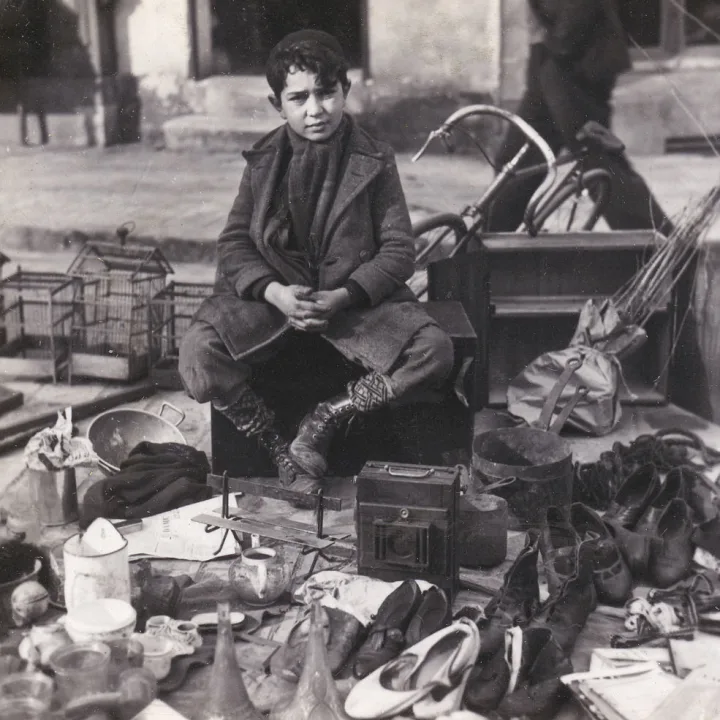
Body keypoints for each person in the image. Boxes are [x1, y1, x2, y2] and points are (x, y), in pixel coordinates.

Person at [179, 29, 454, 490]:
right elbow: (233, 243)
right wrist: (276, 292)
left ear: (345, 91)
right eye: (298, 97)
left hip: (355, 307)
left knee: (437, 351)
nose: (315, 110)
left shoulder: (375, 159)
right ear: (276, 104)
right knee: (195, 355)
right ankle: (277, 448)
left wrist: (344, 296)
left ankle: (325, 419)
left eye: (326, 93)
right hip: (274, 305)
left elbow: (399, 250)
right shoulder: (264, 161)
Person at [487, 0, 674, 236]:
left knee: (600, 163)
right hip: (550, 60)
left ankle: (664, 250)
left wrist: (557, 46)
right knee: (518, 159)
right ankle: (483, 252)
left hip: (576, 64)